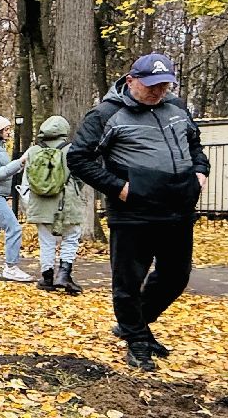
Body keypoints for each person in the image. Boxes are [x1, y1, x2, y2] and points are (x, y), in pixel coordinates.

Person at [67, 52, 208, 370]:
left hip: (178, 211)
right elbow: (78, 158)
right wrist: (121, 188)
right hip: (133, 214)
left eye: (164, 86)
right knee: (128, 282)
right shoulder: (106, 114)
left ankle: (135, 325)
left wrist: (200, 173)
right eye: (151, 86)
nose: (158, 92)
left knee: (175, 277)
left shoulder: (177, 108)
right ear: (131, 81)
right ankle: (138, 341)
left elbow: (196, 146)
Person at [22, 115, 85, 294]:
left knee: (46, 241)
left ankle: (47, 277)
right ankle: (64, 274)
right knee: (71, 237)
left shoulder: (33, 150)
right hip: (66, 200)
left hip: (40, 202)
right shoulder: (70, 149)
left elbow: (28, 176)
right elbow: (80, 175)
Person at [0, 116, 34, 282]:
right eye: (6, 129)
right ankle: (11, 267)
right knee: (14, 228)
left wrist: (19, 165)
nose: (9, 132)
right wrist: (20, 162)